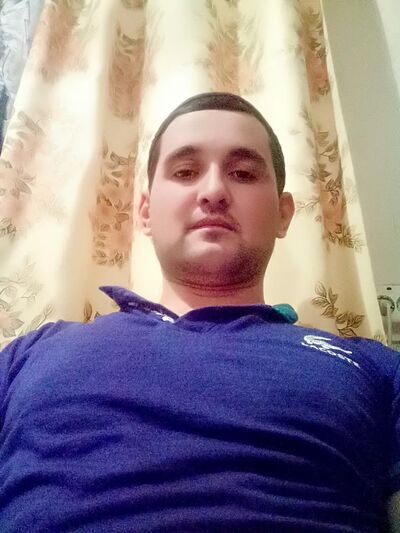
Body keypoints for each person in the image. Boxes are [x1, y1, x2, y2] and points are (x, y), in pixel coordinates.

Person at [0, 92, 399, 532]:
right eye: (186, 172)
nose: (213, 192)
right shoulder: (27, 357)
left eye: (243, 173)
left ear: (283, 214)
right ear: (146, 212)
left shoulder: (374, 369)